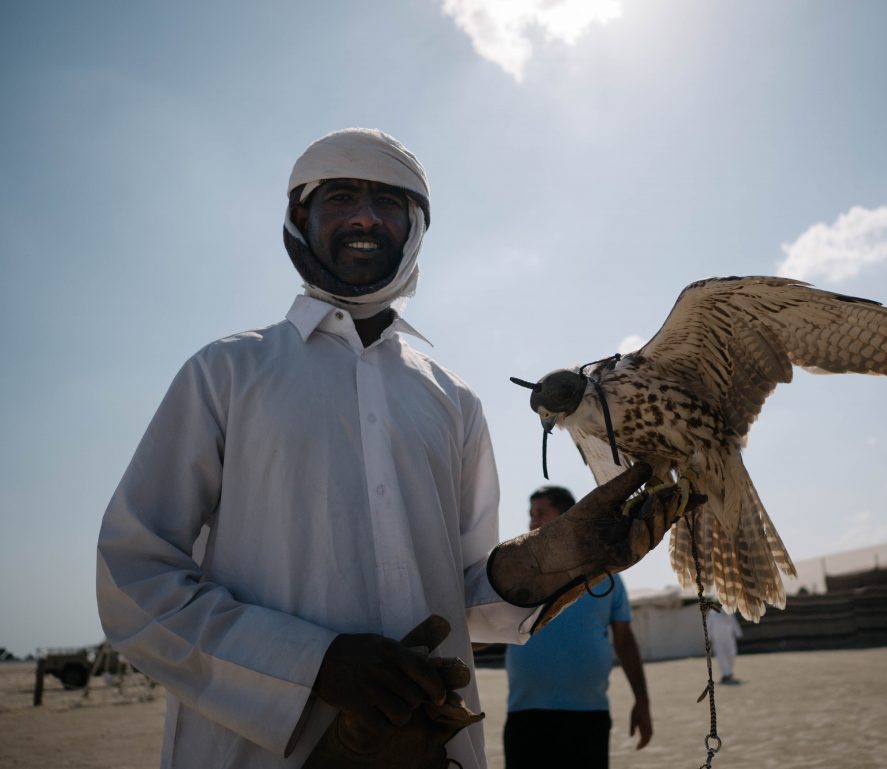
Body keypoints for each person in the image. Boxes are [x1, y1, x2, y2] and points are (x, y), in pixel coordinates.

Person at [96, 128, 680, 769]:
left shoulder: (453, 400)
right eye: (341, 196)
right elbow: (134, 576)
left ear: (416, 226)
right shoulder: (226, 372)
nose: (366, 216)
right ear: (301, 218)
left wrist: (547, 564)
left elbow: (466, 602)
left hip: (435, 746)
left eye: (390, 201)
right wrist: (313, 664)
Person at [503, 485, 653, 769]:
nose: (532, 522)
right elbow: (489, 632)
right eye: (530, 514)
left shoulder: (604, 576)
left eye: (540, 513)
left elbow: (625, 641)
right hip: (527, 715)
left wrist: (642, 702)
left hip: (589, 715)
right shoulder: (516, 577)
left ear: (568, 517)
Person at [707, 608, 743, 684]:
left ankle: (729, 672)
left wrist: (738, 633)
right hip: (718, 639)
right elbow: (709, 625)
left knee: (732, 654)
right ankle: (725, 674)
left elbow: (734, 622)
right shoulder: (712, 613)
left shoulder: (728, 611)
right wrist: (708, 638)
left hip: (729, 638)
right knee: (721, 656)